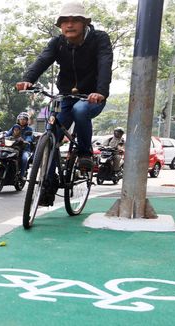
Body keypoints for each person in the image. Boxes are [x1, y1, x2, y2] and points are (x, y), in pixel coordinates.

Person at [16, 1, 113, 206]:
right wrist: (28, 79)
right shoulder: (58, 43)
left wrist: (101, 92)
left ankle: (85, 153)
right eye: (64, 21)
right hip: (66, 96)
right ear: (60, 25)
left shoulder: (99, 39)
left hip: (92, 97)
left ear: (85, 23)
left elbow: (105, 63)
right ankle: (48, 186)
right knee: (50, 137)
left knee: (81, 109)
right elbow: (43, 59)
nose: (69, 25)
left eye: (75, 20)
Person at [4, 112, 33, 180]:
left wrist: (27, 141)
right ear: (18, 120)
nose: (22, 121)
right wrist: (3, 137)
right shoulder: (15, 126)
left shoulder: (29, 129)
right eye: (21, 119)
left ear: (27, 120)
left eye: (24, 119)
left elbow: (29, 137)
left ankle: (21, 175)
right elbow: (8, 134)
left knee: (24, 159)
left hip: (25, 149)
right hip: (14, 147)